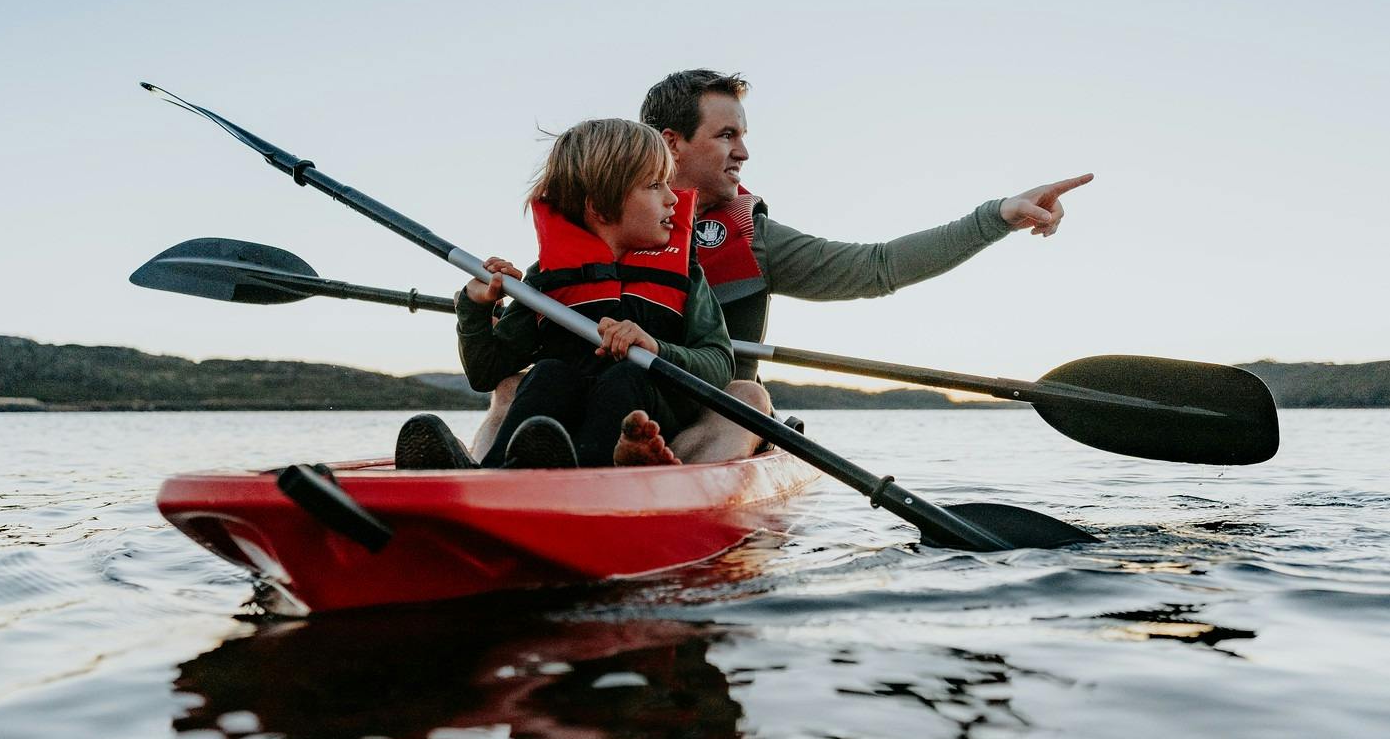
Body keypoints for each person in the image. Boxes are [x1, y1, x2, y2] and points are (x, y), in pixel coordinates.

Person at [467, 69, 1094, 462]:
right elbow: (503, 350)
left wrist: (997, 216)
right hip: (583, 399)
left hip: (700, 413)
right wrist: (483, 304)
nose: (744, 151)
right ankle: (491, 478)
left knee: (750, 392)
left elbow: (877, 267)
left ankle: (653, 472)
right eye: (725, 136)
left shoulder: (754, 240)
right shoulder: (581, 242)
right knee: (517, 384)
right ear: (669, 142)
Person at [394, 118, 734, 471]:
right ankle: (496, 472)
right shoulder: (548, 278)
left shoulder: (686, 277)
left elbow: (720, 364)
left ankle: (591, 470)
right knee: (549, 374)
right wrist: (476, 308)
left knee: (626, 376)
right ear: (599, 208)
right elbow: (486, 372)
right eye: (654, 185)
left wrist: (657, 349)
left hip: (650, 413)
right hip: (559, 427)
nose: (672, 199)